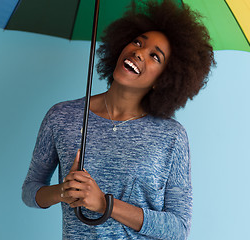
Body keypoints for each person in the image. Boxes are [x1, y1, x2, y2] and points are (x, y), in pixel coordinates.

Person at [22, 0, 215, 239]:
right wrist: (62, 192)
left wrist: (106, 205)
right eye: (137, 42)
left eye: (155, 56)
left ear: (164, 79)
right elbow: (30, 191)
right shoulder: (62, 117)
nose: (139, 52)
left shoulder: (171, 136)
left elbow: (178, 228)